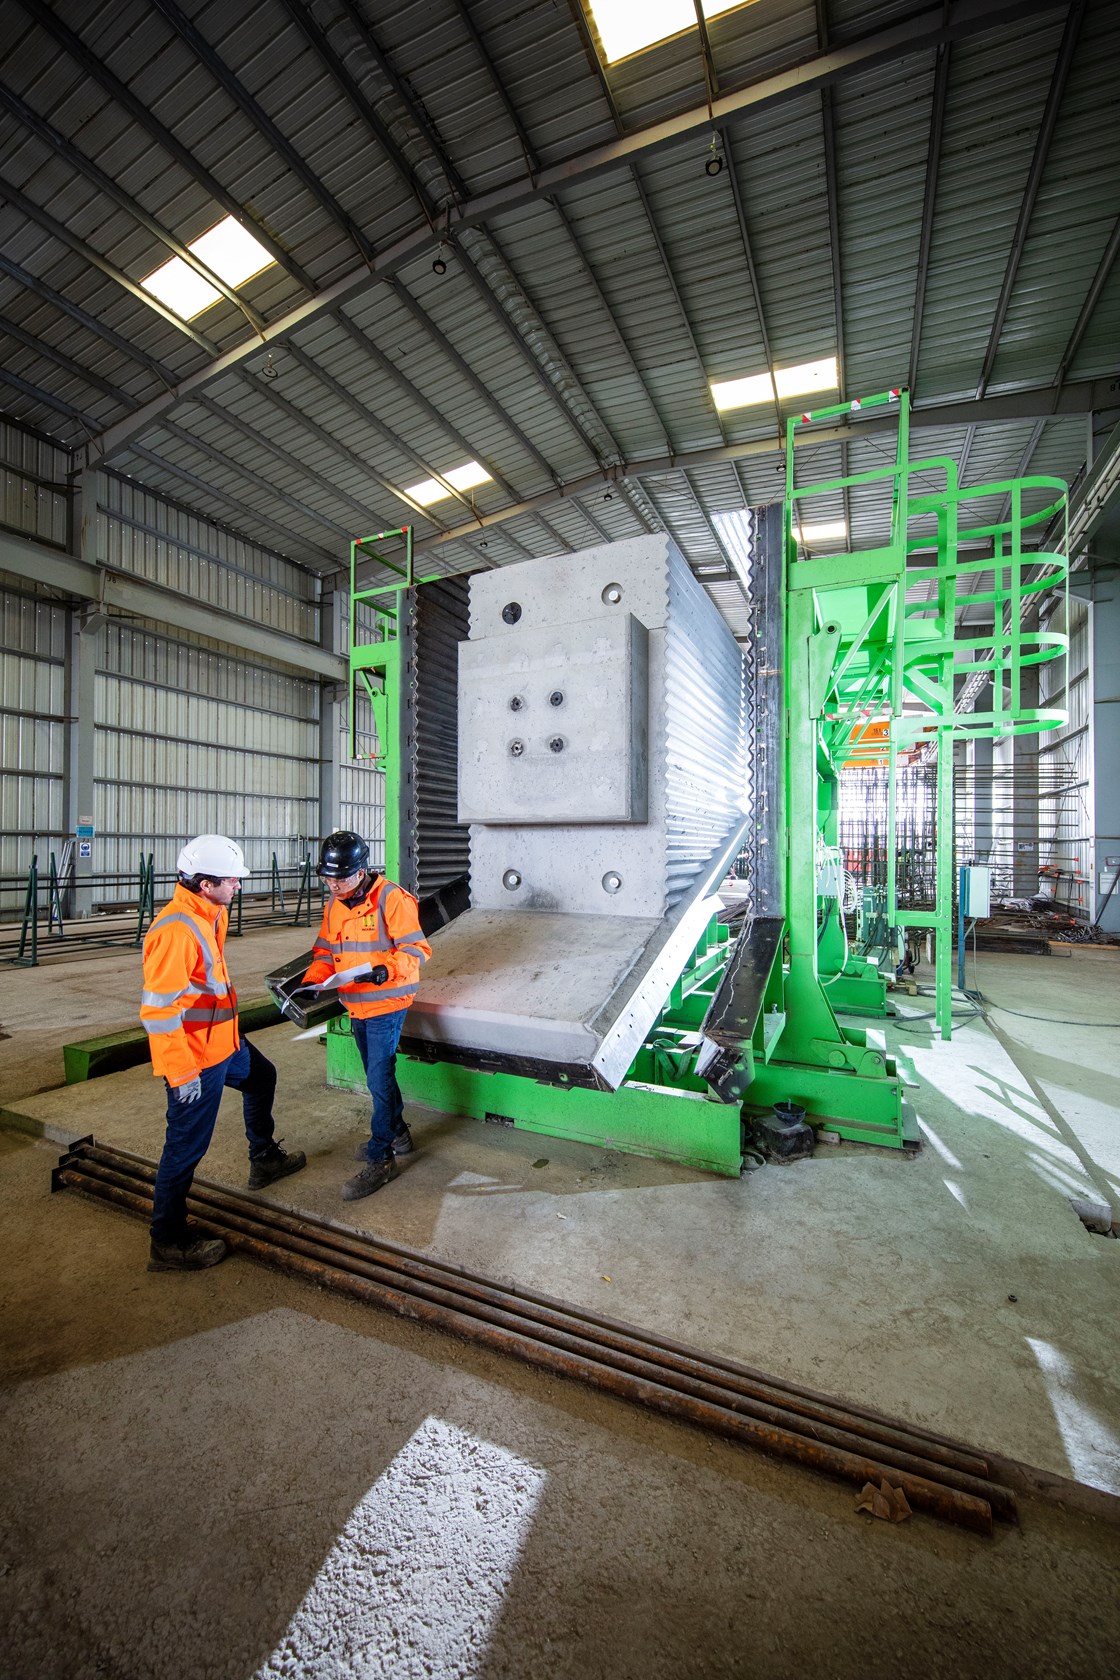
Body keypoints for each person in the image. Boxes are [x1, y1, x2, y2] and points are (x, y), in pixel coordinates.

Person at [140, 834, 306, 1272]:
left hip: (225, 1044)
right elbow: (158, 1012)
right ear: (202, 883)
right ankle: (168, 1242)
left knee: (262, 1077)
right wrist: (181, 1074)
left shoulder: (209, 913)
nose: (238, 887)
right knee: (184, 1149)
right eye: (231, 881)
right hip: (195, 1060)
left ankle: (264, 1158)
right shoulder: (176, 930)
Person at [298, 830, 431, 1201]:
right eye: (327, 878)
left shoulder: (392, 898)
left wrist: (385, 969)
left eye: (340, 878)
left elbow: (417, 950)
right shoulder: (334, 904)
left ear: (362, 870)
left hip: (387, 1004)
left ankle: (381, 1155)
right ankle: (399, 1133)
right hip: (354, 1002)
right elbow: (325, 951)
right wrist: (312, 982)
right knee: (379, 1077)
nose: (333, 885)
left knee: (378, 1079)